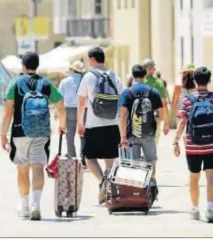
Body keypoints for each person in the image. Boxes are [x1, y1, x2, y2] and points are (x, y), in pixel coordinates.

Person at [0, 52, 66, 220]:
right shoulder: (46, 83)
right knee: (37, 167)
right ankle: (36, 204)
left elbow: (8, 112)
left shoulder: (15, 83)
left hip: (19, 132)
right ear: (37, 65)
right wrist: (62, 124)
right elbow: (60, 104)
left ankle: (25, 207)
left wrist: (3, 134)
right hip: (41, 133)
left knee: (22, 170)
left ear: (23, 65)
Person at [173, 66, 213, 223]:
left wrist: (176, 141)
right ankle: (210, 209)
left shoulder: (188, 99)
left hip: (192, 145)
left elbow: (182, 121)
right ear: (209, 81)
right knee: (211, 177)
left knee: (194, 178)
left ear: (195, 81)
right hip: (212, 145)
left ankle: (195, 210)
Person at [76, 47, 124, 204]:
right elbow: (123, 100)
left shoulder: (88, 77)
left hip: (93, 124)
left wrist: (80, 123)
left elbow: (81, 101)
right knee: (110, 160)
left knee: (89, 158)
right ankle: (108, 185)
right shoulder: (115, 76)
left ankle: (103, 181)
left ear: (92, 59)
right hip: (112, 123)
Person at [119, 64, 165, 200]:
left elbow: (123, 116)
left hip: (132, 134)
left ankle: (138, 193)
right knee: (151, 162)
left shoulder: (127, 92)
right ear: (145, 75)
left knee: (135, 164)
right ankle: (151, 186)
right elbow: (161, 113)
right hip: (149, 133)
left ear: (133, 76)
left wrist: (123, 137)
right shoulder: (153, 91)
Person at [58, 60, 85, 157]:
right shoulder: (85, 80)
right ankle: (84, 160)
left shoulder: (64, 82)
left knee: (69, 137)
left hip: (68, 111)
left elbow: (59, 100)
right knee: (83, 136)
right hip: (83, 110)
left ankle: (72, 157)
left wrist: (58, 116)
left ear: (72, 70)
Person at [142, 59, 170, 143]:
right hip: (155, 118)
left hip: (140, 118)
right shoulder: (159, 83)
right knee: (153, 144)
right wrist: (166, 122)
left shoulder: (138, 82)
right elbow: (164, 103)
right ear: (151, 69)